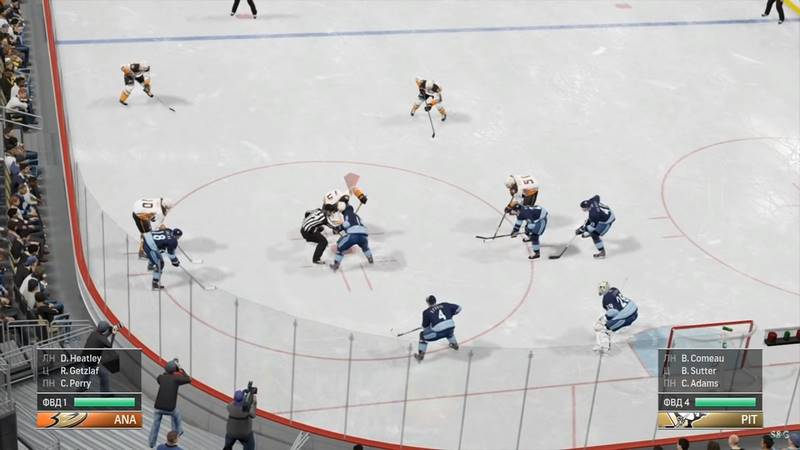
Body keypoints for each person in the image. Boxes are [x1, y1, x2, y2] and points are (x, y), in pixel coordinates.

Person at [327, 188, 372, 271]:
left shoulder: (347, 213)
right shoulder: (356, 216)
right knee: (365, 247)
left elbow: (346, 224)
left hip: (353, 236)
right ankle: (370, 258)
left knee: (340, 247)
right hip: (363, 236)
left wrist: (338, 228)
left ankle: (336, 265)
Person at [149, 359, 191, 448]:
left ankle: (152, 443)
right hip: (170, 408)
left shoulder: (161, 378)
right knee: (176, 415)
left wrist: (168, 370)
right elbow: (189, 379)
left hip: (158, 407)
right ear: (175, 371)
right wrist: (181, 370)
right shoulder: (176, 379)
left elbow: (161, 377)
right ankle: (178, 431)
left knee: (155, 424)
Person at [593, 281, 638, 353]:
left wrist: (605, 318)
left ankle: (605, 348)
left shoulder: (606, 299)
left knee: (604, 329)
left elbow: (613, 312)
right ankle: (621, 330)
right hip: (634, 310)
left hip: (627, 317)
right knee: (614, 322)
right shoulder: (614, 289)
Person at [415, 295, 461, 362]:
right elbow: (459, 308)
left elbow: (425, 327)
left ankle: (421, 354)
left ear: (428, 302)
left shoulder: (426, 312)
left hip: (438, 333)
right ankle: (454, 345)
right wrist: (450, 314)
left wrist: (430, 325)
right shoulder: (445, 304)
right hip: (450, 328)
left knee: (422, 335)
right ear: (435, 300)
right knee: (448, 330)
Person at [77, 321, 119, 392]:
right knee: (104, 375)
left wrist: (111, 331)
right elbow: (109, 346)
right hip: (92, 361)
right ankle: (105, 393)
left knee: (87, 374)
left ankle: (81, 388)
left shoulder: (93, 333)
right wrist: (114, 334)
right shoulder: (102, 339)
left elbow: (103, 337)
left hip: (85, 358)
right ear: (105, 330)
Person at [575, 195, 615, 259]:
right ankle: (589, 230)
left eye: (583, 208)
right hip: (606, 213)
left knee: (594, 235)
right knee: (590, 222)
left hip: (608, 220)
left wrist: (582, 230)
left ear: (587, 207)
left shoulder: (593, 214)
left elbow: (592, 227)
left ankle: (602, 253)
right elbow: (597, 196)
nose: (582, 209)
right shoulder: (592, 201)